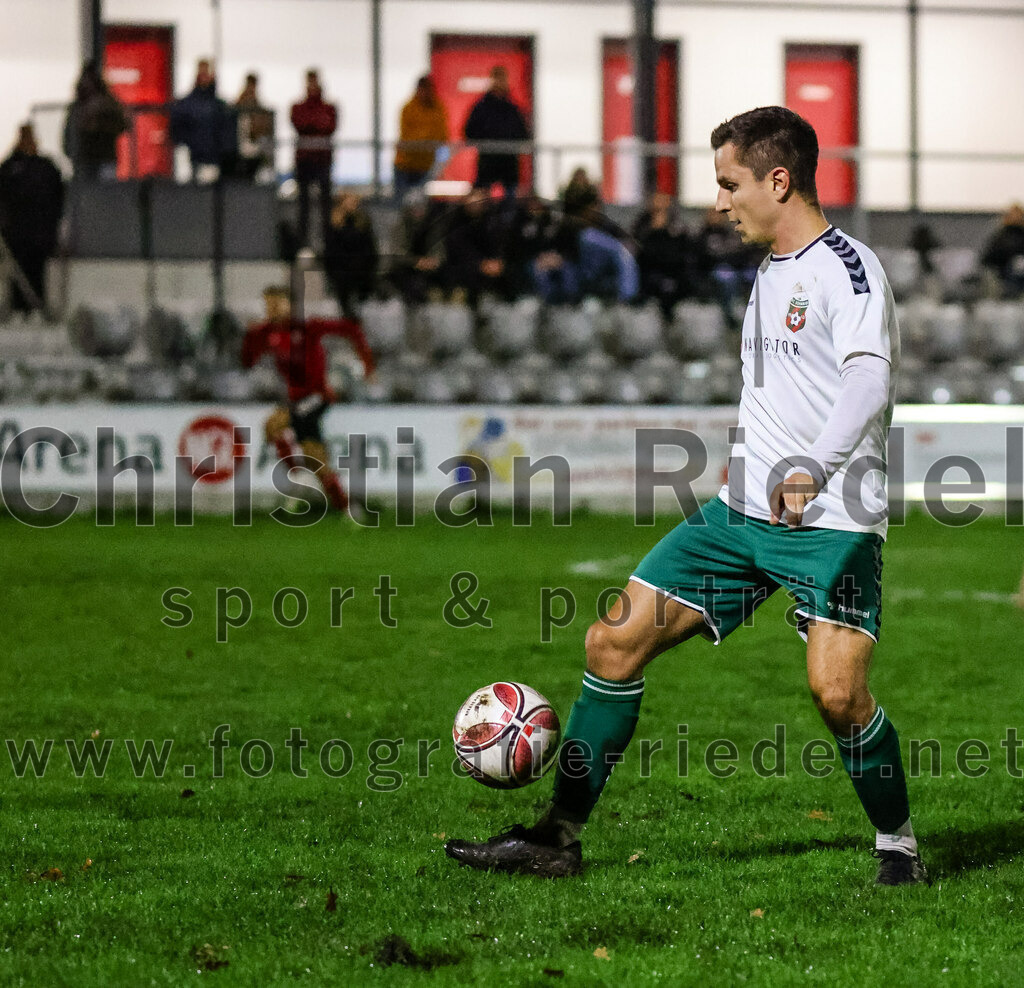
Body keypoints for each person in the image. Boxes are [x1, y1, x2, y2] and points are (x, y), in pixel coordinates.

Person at [445, 105, 926, 888]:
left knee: (838, 695)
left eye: (730, 184)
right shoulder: (770, 268)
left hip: (831, 518)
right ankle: (557, 838)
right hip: (740, 517)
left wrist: (814, 465)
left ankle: (899, 847)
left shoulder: (850, 270)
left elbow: (868, 378)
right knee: (612, 644)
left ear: (780, 179)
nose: (719, 202)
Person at [241, 285, 375, 517]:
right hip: (296, 400)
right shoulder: (266, 332)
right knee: (316, 458)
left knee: (273, 425)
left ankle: (298, 475)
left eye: (277, 303)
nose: (271, 308)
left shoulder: (308, 326)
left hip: (318, 396)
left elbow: (351, 329)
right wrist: (250, 336)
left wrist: (368, 364)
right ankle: (347, 509)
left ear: (290, 305)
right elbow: (247, 361)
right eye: (268, 304)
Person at [0, 123, 64, 313]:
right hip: (17, 231)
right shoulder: (10, 167)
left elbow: (57, 197)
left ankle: (35, 305)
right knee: (18, 271)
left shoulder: (45, 167)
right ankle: (19, 307)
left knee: (37, 270)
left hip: (39, 232)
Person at [463, 66, 529, 198]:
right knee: (482, 200)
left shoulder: (513, 108)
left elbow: (523, 133)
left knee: (509, 202)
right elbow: (469, 131)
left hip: (509, 162)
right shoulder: (481, 107)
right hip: (488, 161)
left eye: (502, 78)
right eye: (497, 78)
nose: (500, 82)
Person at [291, 70, 338, 247]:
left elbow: (329, 126)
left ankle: (328, 244)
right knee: (303, 207)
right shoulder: (298, 107)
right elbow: (300, 124)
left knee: (326, 207)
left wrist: (313, 126)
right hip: (304, 160)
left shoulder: (329, 108)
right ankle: (301, 245)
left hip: (323, 160)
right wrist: (316, 125)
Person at [169, 59, 237, 181]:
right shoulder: (187, 104)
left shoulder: (219, 106)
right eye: (202, 72)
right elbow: (177, 128)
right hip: (194, 155)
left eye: (207, 73)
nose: (204, 76)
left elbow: (226, 132)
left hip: (216, 157)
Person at [62, 61, 129, 181]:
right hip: (84, 157)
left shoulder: (108, 104)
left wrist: (99, 122)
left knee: (105, 189)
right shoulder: (77, 107)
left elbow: (122, 125)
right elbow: (70, 131)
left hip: (104, 156)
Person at [633, 190, 695, 317]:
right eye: (657, 199)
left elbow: (685, 250)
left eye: (664, 199)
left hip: (674, 270)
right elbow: (639, 250)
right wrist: (654, 231)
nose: (660, 204)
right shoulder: (642, 224)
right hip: (649, 271)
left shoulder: (677, 224)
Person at [323, 192, 379, 316]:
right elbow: (331, 251)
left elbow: (370, 248)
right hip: (341, 268)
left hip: (361, 267)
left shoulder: (363, 222)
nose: (352, 205)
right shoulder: (334, 224)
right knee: (343, 283)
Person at [393, 75, 448, 201]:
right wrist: (427, 137)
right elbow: (407, 137)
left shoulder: (439, 108)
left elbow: (442, 135)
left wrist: (422, 137)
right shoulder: (408, 108)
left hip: (426, 166)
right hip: (405, 165)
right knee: (402, 204)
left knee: (422, 206)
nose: (426, 93)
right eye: (423, 89)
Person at [234, 72, 275, 183]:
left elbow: (262, 128)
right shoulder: (238, 105)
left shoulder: (258, 108)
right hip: (238, 151)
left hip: (253, 150)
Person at [980, 203, 1024, 297]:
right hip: (1004, 274)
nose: (1016, 218)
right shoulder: (1001, 237)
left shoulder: (1003, 236)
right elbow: (988, 258)